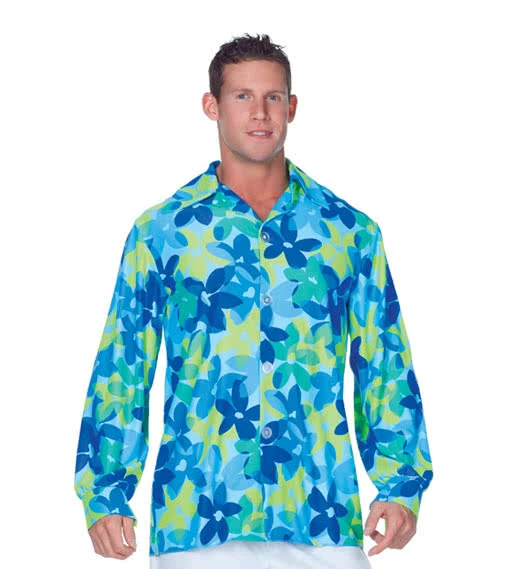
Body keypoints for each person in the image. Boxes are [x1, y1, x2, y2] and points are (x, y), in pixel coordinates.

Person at [74, 33, 433, 569]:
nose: (260, 112)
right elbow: (124, 363)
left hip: (321, 514)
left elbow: (383, 363)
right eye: (242, 96)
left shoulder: (349, 233)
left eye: (272, 97)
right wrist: (105, 492)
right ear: (212, 105)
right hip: (195, 517)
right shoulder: (163, 232)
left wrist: (401, 483)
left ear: (292, 107)